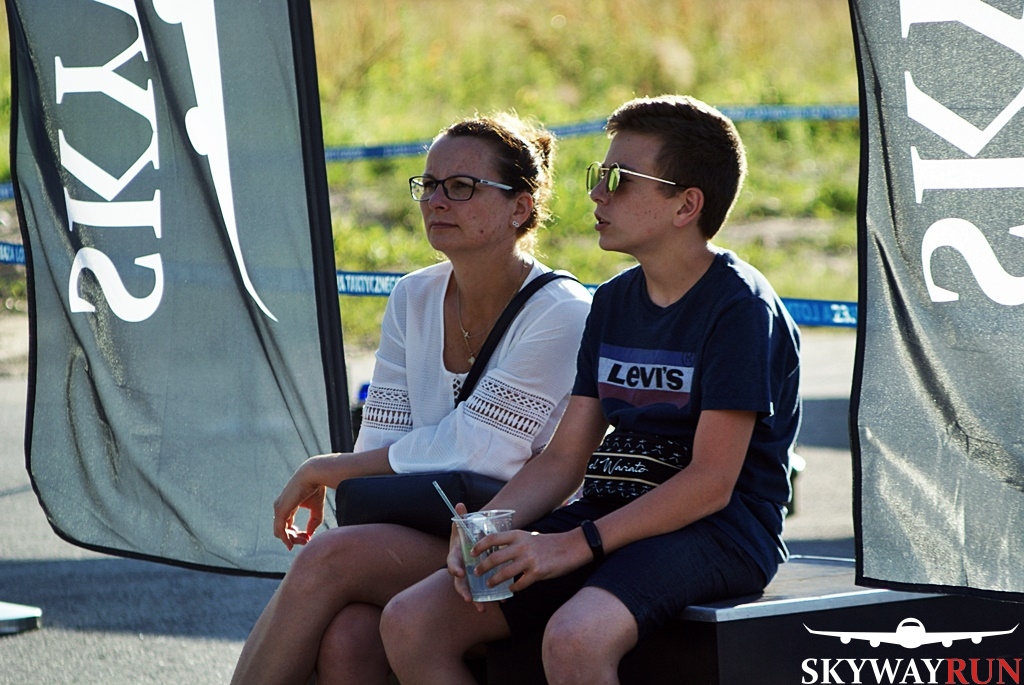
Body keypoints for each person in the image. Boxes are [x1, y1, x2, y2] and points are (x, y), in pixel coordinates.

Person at [380, 94, 802, 685]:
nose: (597, 193)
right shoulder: (613, 300)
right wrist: (485, 526)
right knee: (412, 621)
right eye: (598, 176)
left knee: (577, 638)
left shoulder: (740, 308)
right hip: (609, 515)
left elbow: (710, 483)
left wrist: (576, 544)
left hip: (718, 529)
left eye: (619, 179)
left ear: (686, 205)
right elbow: (563, 458)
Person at [230, 112, 592, 685]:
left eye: (462, 187)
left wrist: (327, 468)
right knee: (349, 638)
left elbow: (480, 452)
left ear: (520, 208)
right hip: (428, 531)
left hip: (519, 544)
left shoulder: (564, 311)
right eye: (429, 185)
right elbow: (382, 442)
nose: (436, 201)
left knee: (329, 557)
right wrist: (342, 470)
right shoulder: (413, 295)